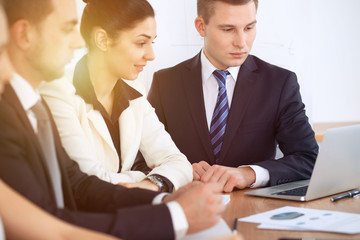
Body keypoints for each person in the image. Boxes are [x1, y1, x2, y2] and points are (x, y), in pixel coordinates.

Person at [0, 0, 225, 239]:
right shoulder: (49, 97)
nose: (78, 42)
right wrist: (169, 207)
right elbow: (52, 218)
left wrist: (160, 195)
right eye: (67, 29)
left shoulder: (36, 105)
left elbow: (78, 184)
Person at [148, 0, 319, 192]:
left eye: (249, 27)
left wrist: (250, 174)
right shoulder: (166, 83)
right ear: (201, 27)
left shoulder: (279, 83)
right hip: (187, 210)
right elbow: (140, 162)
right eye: (228, 29)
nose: (241, 42)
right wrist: (179, 172)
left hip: (253, 211)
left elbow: (308, 158)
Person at [38, 0, 192, 192]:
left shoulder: (134, 91)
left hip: (127, 211)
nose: (151, 55)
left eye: (152, 42)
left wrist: (151, 184)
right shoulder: (58, 92)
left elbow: (177, 161)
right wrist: (140, 177)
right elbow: (90, 182)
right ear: (102, 40)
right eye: (141, 43)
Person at [0, 3, 116, 240]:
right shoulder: (17, 112)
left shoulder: (39, 106)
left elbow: (75, 184)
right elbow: (48, 226)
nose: (7, 72)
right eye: (1, 52)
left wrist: (163, 199)